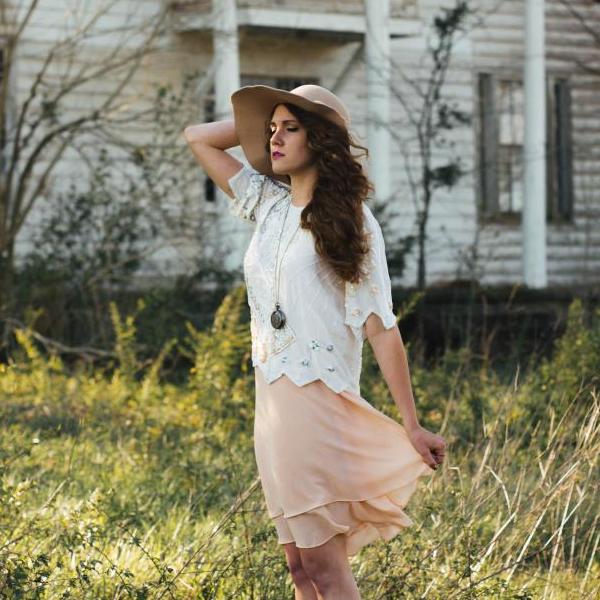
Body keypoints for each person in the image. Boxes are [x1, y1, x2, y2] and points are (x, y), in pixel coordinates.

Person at [184, 84, 446, 600]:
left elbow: (380, 326)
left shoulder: (352, 220)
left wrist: (412, 424)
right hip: (272, 403)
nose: (274, 138)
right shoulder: (267, 203)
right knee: (300, 569)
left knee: (324, 567)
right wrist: (261, 120)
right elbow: (198, 137)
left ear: (320, 139)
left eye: (291, 128)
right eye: (271, 129)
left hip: (317, 398)